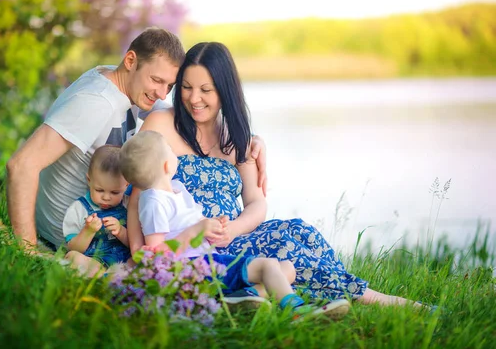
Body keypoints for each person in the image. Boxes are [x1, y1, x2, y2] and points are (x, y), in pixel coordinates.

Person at [127, 41, 430, 308]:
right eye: (187, 88)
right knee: (285, 250)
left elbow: (256, 202)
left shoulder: (236, 135)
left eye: (206, 90)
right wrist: (141, 254)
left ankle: (325, 289)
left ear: (225, 90)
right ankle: (373, 298)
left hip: (231, 235)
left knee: (299, 231)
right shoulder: (162, 123)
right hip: (191, 248)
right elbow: (138, 195)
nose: (194, 99)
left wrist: (233, 229)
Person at [6, 27, 268, 252]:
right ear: (130, 60)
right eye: (156, 80)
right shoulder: (96, 102)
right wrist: (27, 249)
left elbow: (187, 114)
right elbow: (21, 165)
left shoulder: (126, 85)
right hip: (78, 231)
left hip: (104, 219)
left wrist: (252, 139)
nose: (162, 92)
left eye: (170, 86)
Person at [119, 130, 351, 322]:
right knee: (267, 266)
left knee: (287, 268)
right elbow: (158, 258)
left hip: (209, 261)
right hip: (194, 271)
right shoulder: (153, 202)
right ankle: (297, 311)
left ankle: (237, 301)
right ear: (167, 164)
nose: (173, 150)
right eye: (169, 148)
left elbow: (187, 227)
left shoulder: (175, 188)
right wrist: (195, 231)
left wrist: (210, 228)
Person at [62, 145, 130, 274]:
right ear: (89, 180)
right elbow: (75, 248)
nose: (106, 197)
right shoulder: (79, 209)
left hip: (126, 261)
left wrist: (121, 231)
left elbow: (135, 244)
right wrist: (88, 231)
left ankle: (112, 277)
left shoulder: (129, 204)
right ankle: (104, 277)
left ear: (126, 185)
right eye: (99, 190)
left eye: (115, 192)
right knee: (72, 256)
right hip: (95, 262)